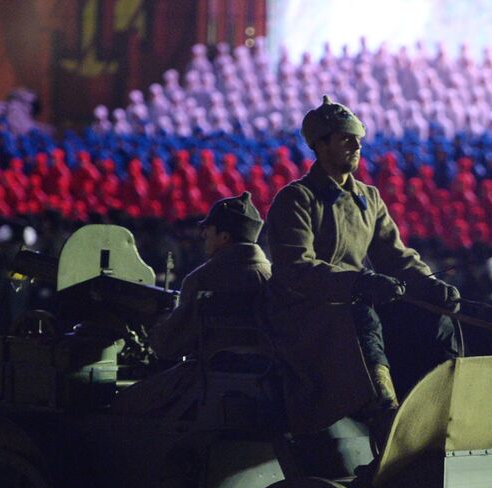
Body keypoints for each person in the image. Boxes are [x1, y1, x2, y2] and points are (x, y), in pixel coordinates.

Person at [262, 96, 461, 437]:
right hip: (306, 314)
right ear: (320, 145)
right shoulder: (296, 199)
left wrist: (428, 285)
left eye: (358, 139)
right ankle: (385, 419)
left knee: (436, 319)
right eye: (345, 138)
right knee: (363, 317)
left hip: (355, 303)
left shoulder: (368, 198)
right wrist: (358, 283)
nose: (357, 145)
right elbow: (295, 268)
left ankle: (440, 411)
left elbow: (395, 256)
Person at [147, 192, 271, 360]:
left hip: (208, 379)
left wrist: (158, 320)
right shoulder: (271, 276)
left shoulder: (203, 279)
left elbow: (168, 346)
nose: (203, 234)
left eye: (208, 228)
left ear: (224, 237)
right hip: (265, 380)